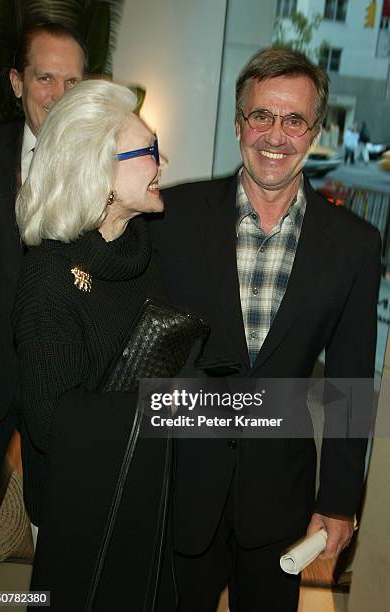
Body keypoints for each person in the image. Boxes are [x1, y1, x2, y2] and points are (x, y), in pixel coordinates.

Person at [149, 47, 381, 611]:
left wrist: (340, 500)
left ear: (315, 131)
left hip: (282, 502)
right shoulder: (171, 217)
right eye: (262, 116)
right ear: (238, 124)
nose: (276, 135)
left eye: (294, 119)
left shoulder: (353, 245)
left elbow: (349, 382)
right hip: (180, 487)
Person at [12, 79, 175, 610]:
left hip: (138, 499)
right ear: (98, 168)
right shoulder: (50, 275)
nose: (163, 159)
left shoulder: (142, 255)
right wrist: (163, 408)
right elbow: (49, 422)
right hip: (76, 514)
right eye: (148, 150)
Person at [0, 21, 87, 514]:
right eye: (46, 78)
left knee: (59, 550)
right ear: (16, 82)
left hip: (64, 398)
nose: (60, 95)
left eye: (73, 83)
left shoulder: (108, 168)